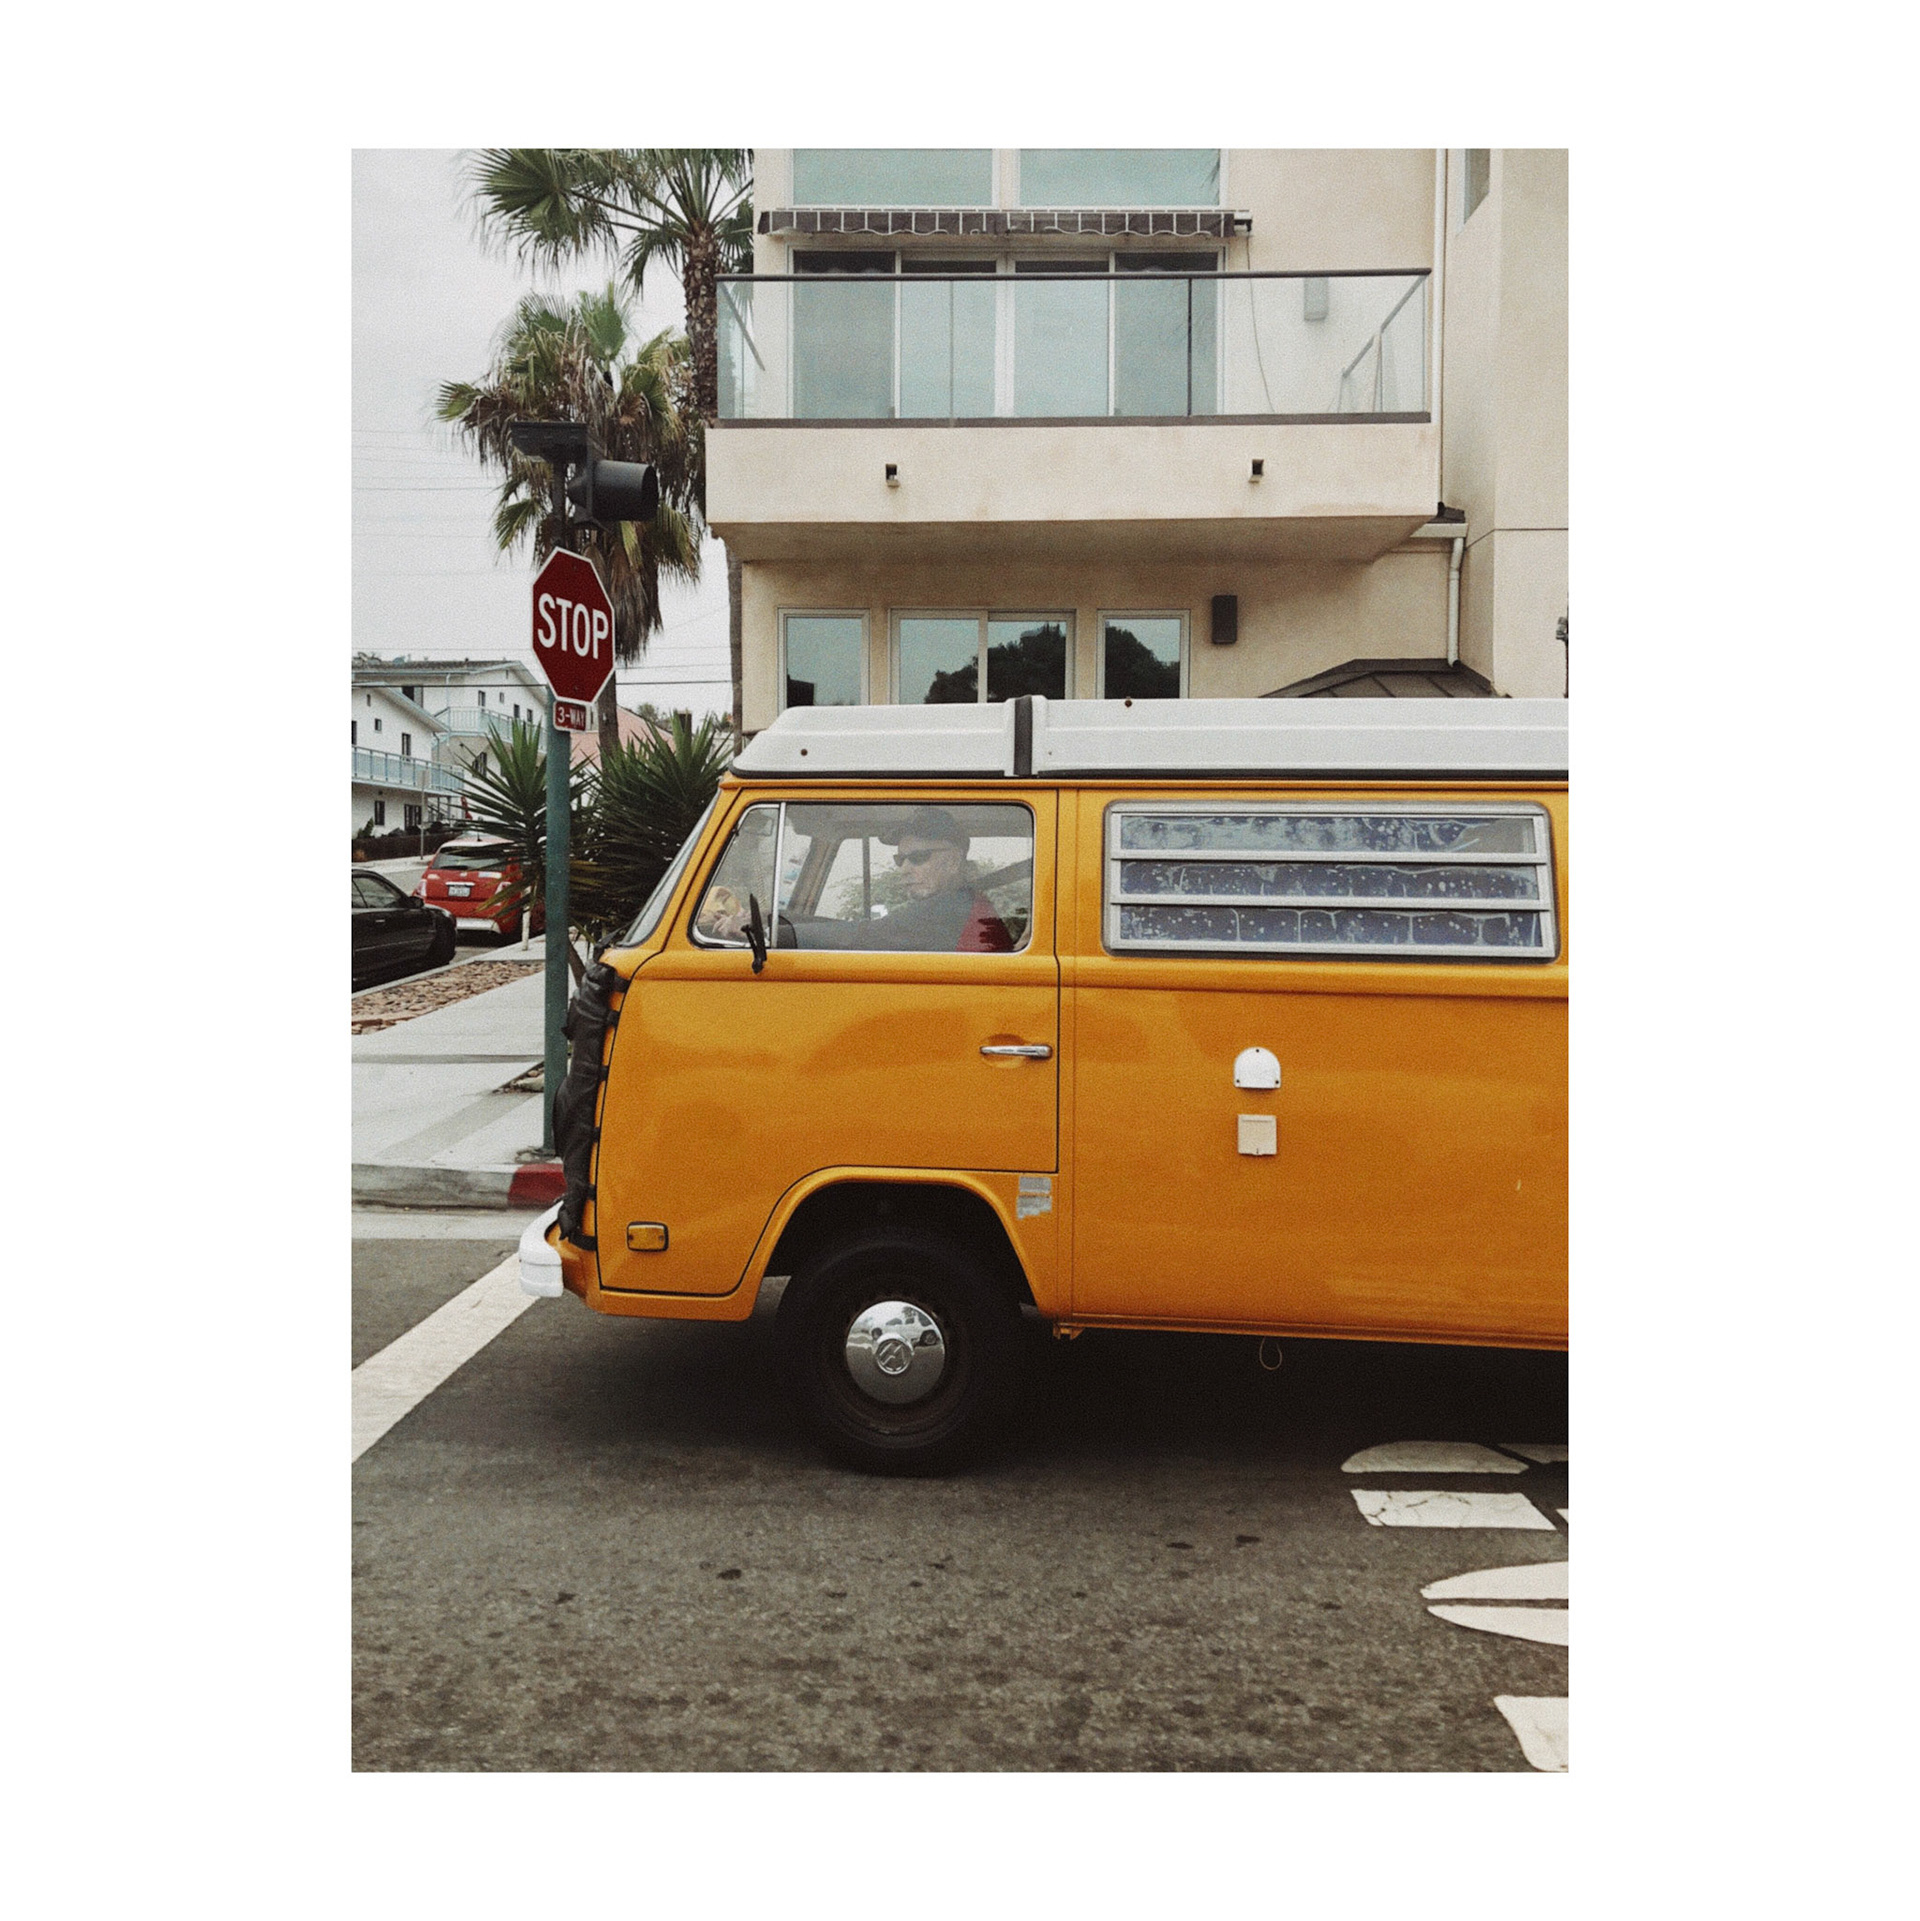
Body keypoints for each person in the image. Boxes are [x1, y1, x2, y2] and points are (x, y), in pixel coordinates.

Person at [869, 808, 1015, 953]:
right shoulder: (970, 902)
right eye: (899, 859)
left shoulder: (948, 910)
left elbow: (863, 937)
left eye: (918, 857)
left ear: (953, 861)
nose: (904, 869)